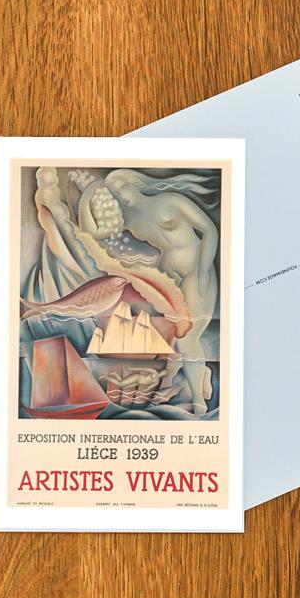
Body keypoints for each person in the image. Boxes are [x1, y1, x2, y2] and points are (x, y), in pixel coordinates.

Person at [105, 169, 219, 415]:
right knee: (175, 339)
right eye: (115, 193)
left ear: (134, 183)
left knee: (186, 339)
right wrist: (88, 196)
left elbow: (209, 230)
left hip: (195, 272)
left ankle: (198, 402)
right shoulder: (130, 221)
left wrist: (202, 270)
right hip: (170, 279)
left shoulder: (170, 201)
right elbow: (97, 231)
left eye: (122, 187)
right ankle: (201, 372)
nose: (122, 196)